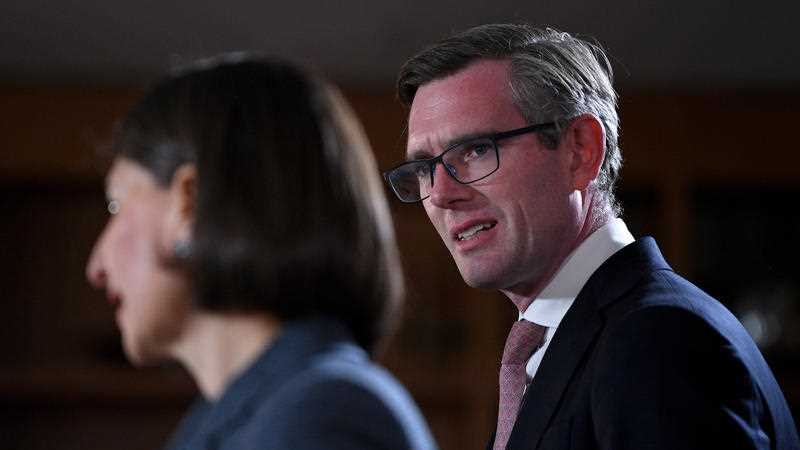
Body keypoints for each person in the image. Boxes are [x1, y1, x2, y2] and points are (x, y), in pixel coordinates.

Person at [384, 24, 799, 450]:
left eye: (474, 151)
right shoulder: (565, 341)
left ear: (580, 150)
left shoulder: (655, 339)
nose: (442, 194)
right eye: (424, 169)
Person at [86, 54, 437, 450]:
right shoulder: (284, 410)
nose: (95, 266)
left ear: (189, 204)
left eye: (116, 204)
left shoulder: (320, 416)